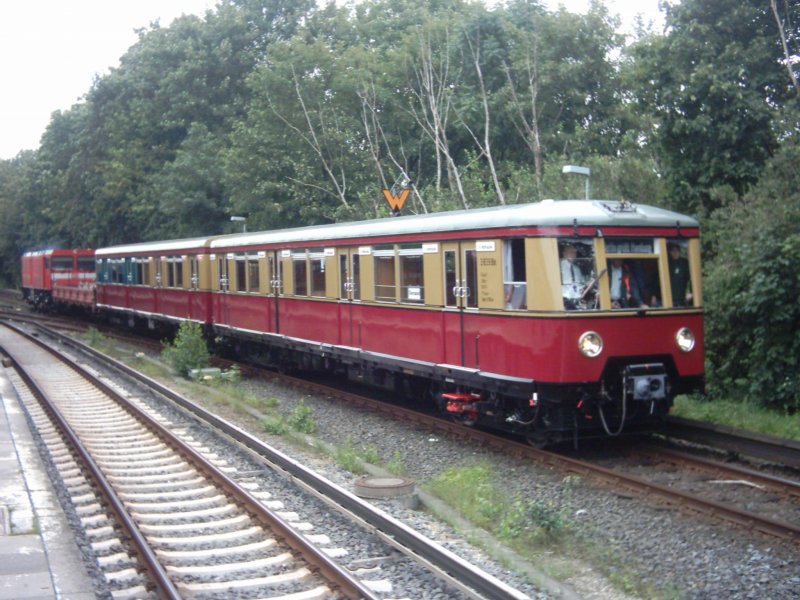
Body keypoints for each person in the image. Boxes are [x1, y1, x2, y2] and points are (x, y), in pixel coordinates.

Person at [561, 244, 586, 309]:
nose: (573, 254)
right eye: (570, 252)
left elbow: (581, 284)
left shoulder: (577, 269)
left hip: (577, 299)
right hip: (564, 300)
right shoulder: (559, 267)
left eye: (574, 252)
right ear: (564, 254)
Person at [668, 242, 692, 307]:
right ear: (669, 252)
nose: (675, 253)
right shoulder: (666, 263)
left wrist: (691, 292)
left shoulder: (684, 263)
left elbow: (693, 278)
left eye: (677, 250)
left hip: (681, 298)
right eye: (673, 251)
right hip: (668, 298)